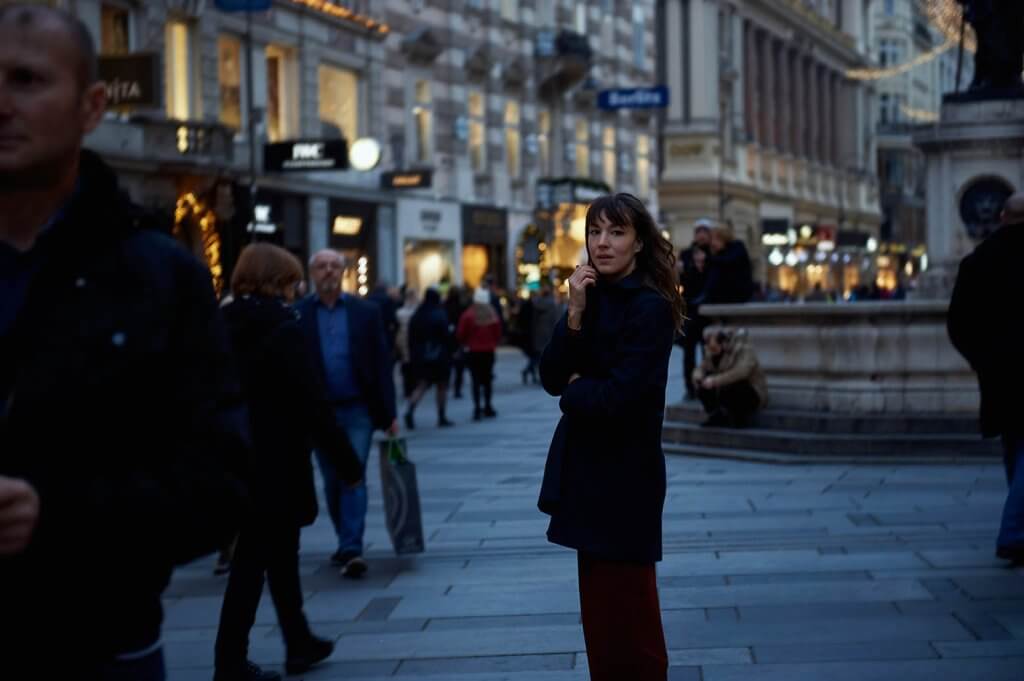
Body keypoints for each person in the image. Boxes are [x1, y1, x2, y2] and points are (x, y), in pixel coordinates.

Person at [0, 5, 249, 677]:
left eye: (25, 80)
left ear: (91, 106)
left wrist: (54, 512)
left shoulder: (157, 276)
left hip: (99, 647)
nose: (2, 103)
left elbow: (219, 481)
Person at [539, 193, 682, 681]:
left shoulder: (650, 307)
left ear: (639, 242)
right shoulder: (590, 296)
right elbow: (553, 376)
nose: (602, 243)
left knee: (632, 616)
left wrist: (577, 393)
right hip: (585, 474)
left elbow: (620, 397)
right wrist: (574, 313)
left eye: (616, 232)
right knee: (600, 617)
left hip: (626, 478)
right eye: (595, 232)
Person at [214, 244, 363, 681]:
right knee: (252, 564)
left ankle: (298, 640)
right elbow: (312, 402)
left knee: (278, 553)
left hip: (236, 457)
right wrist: (347, 465)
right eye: (292, 278)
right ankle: (229, 661)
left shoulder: (220, 323)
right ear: (277, 280)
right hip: (276, 462)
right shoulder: (284, 327)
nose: (296, 286)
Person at [296, 250, 398, 579]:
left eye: (334, 266)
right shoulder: (298, 314)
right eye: (322, 266)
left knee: (353, 472)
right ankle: (345, 537)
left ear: (343, 272)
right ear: (311, 273)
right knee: (330, 479)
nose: (328, 271)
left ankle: (352, 545)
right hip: (318, 412)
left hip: (358, 409)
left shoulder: (364, 312)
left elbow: (382, 364)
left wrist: (389, 413)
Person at [948, 192, 1024, 565]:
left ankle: (1019, 526)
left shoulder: (977, 262)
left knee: (1014, 446)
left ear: (1001, 216)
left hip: (999, 372)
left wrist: (981, 360)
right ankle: (1013, 533)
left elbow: (958, 324)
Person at [693, 327, 768, 428]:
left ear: (723, 344)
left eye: (714, 348)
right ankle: (715, 414)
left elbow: (741, 372)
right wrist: (699, 377)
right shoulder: (713, 352)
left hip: (752, 391)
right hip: (724, 389)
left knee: (735, 385)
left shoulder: (744, 349)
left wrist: (715, 381)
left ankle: (738, 417)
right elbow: (701, 368)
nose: (711, 351)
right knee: (703, 384)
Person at [405, 288, 456, 429]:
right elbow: (446, 335)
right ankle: (441, 415)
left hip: (421, 356)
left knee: (422, 385)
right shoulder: (439, 314)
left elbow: (411, 338)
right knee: (442, 386)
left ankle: (410, 409)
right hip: (439, 356)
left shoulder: (417, 314)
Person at [457, 287, 503, 420]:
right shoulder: (492, 314)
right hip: (488, 351)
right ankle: (488, 406)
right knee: (488, 379)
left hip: (473, 351)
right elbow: (498, 333)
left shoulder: (468, 315)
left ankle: (477, 408)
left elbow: (460, 333)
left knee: (475, 380)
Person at [696, 222, 754, 306]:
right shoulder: (717, 252)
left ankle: (705, 295)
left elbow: (728, 261)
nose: (712, 243)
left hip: (739, 292)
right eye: (712, 239)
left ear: (723, 238)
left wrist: (707, 259)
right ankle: (705, 295)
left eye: (715, 239)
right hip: (725, 293)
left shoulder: (737, 246)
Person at [680, 243, 709, 400]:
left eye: (701, 253)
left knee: (707, 354)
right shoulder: (688, 271)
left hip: (706, 319)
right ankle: (690, 388)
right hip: (691, 318)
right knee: (688, 355)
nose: (699, 257)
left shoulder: (710, 271)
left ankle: (705, 386)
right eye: (696, 254)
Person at [525, 283, 560, 384]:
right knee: (542, 356)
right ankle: (535, 374)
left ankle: (530, 372)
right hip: (547, 333)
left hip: (539, 333)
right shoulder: (552, 303)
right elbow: (555, 319)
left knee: (539, 356)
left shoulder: (536, 303)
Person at [445, 284, 471, 398]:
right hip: (458, 338)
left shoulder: (445, 306)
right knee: (459, 365)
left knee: (450, 364)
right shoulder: (463, 306)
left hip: (449, 338)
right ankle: (457, 388)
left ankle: (447, 384)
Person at [396, 287, 420, 399]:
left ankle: (408, 387)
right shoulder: (416, 311)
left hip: (404, 339)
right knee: (411, 363)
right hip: (410, 339)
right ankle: (412, 386)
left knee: (406, 364)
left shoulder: (401, 311)